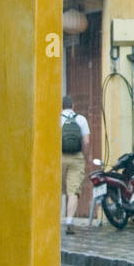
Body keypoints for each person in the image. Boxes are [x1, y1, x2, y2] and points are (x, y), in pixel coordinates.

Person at [61, 94, 90, 234]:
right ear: (73, 106)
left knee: (55, 190)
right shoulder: (81, 119)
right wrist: (84, 156)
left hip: (58, 157)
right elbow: (86, 142)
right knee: (73, 192)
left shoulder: (57, 119)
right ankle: (69, 222)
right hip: (76, 158)